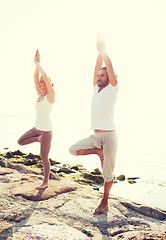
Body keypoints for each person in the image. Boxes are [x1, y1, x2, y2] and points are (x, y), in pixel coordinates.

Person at [69, 36, 119, 215]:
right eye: (98, 75)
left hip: (109, 137)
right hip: (95, 137)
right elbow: (96, 68)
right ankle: (98, 152)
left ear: (109, 78)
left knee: (108, 174)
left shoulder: (113, 88)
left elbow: (110, 68)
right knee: (73, 149)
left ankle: (104, 201)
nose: (98, 77)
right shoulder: (95, 89)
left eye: (102, 75)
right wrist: (99, 52)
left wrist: (105, 52)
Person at [18, 49, 55, 190]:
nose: (39, 83)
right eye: (39, 82)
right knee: (20, 141)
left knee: (43, 157)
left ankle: (45, 182)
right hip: (37, 129)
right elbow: (36, 77)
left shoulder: (50, 95)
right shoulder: (39, 95)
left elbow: (44, 76)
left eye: (42, 82)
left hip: (46, 130)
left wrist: (39, 63)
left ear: (47, 84)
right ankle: (37, 139)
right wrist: (35, 65)